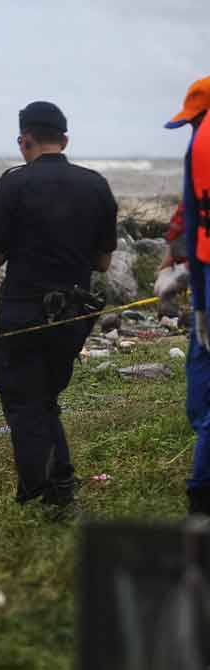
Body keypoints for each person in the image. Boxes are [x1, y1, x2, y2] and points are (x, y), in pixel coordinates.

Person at [0, 101, 118, 517]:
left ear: (24, 140)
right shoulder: (96, 185)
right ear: (66, 140)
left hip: (23, 311)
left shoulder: (13, 183)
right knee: (44, 397)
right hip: (74, 315)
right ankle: (57, 485)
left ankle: (48, 492)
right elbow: (103, 262)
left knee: (22, 399)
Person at [164, 75, 210, 516]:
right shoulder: (200, 150)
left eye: (194, 121)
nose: (193, 130)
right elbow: (188, 210)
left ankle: (201, 492)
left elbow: (191, 213)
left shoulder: (201, 146)